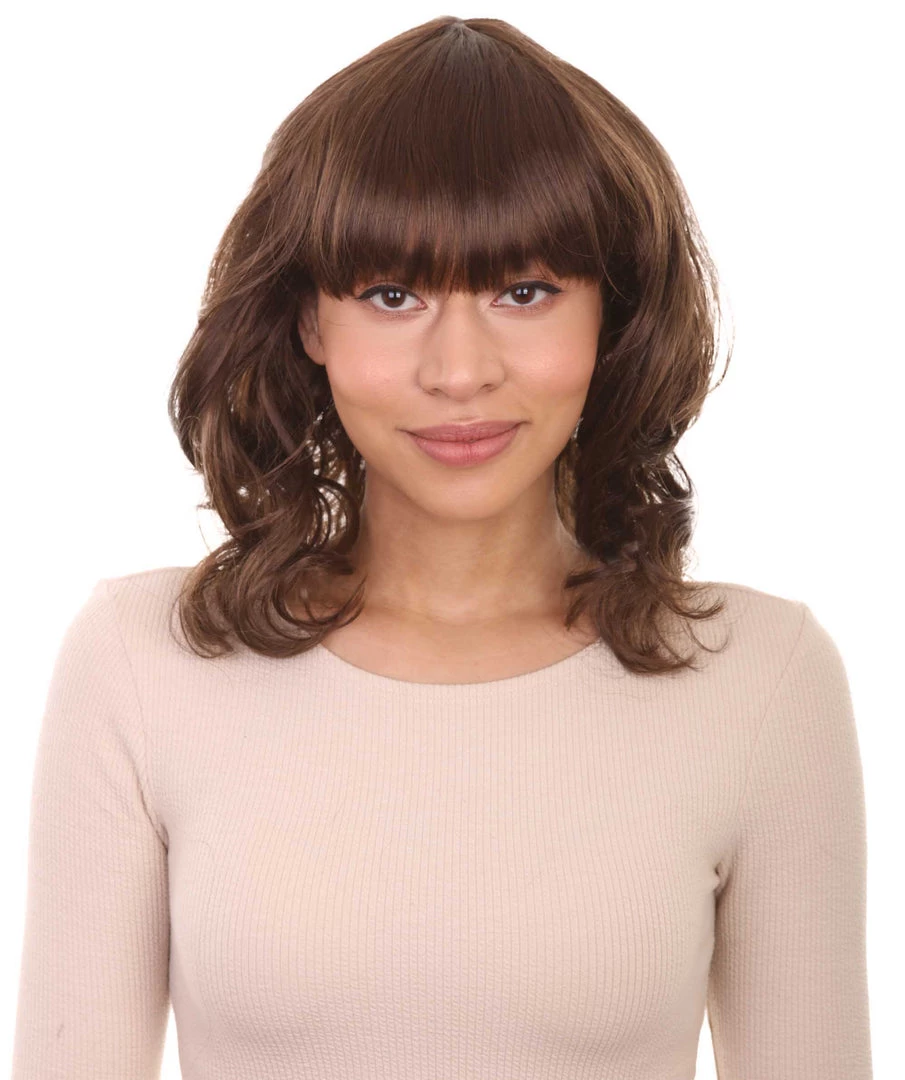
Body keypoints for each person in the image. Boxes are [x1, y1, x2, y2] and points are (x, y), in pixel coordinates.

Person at [10, 15, 873, 1079]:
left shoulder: (759, 679)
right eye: (391, 295)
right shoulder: (141, 662)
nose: (458, 371)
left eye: (524, 291)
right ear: (309, 322)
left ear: (611, 316)